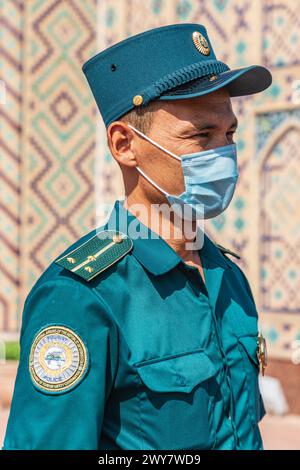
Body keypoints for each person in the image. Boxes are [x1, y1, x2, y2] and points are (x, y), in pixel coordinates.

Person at [3, 23, 271, 450]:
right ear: (125, 144)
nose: (224, 152)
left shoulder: (227, 277)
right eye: (201, 135)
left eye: (229, 134)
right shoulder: (83, 295)